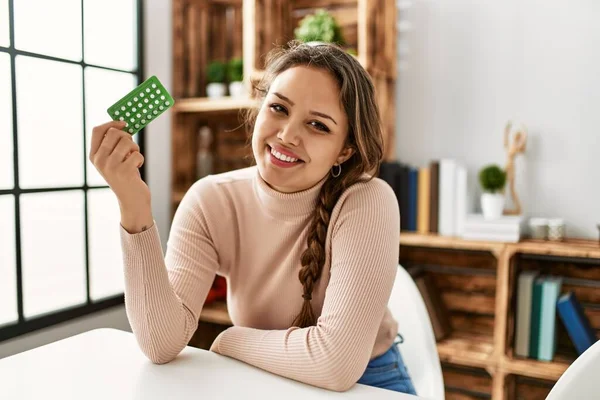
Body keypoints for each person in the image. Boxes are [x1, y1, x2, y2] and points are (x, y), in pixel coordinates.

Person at [89, 40, 416, 395]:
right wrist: (134, 207)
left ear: (345, 151)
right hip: (259, 374)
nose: (288, 135)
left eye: (318, 126)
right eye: (278, 108)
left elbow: (335, 365)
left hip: (368, 382)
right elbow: (160, 343)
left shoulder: (368, 200)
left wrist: (230, 340)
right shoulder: (210, 199)